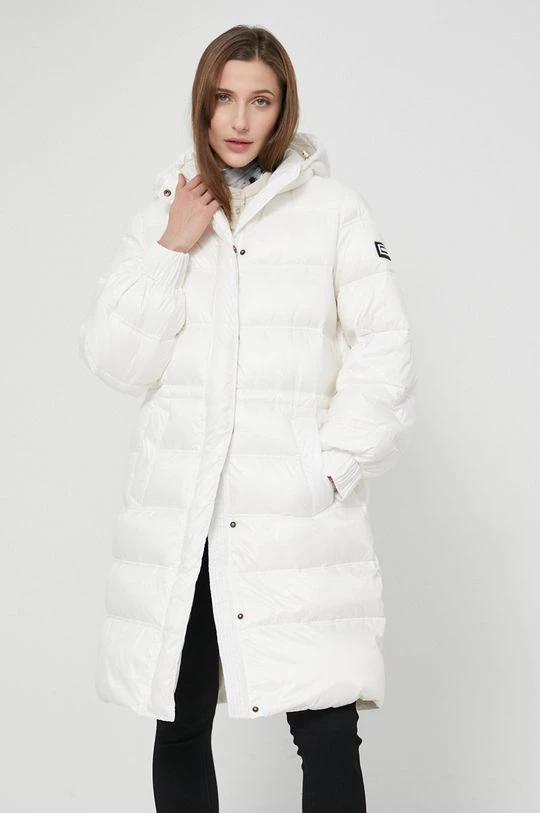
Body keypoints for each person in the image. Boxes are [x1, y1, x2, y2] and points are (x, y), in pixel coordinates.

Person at [79, 24, 417, 813]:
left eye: (259, 101)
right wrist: (171, 248)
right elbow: (115, 360)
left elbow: (386, 353)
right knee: (181, 724)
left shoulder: (334, 213)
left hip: (295, 517)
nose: (238, 119)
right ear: (202, 103)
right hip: (189, 522)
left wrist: (328, 468)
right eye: (224, 98)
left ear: (282, 108)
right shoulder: (166, 211)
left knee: (327, 729)